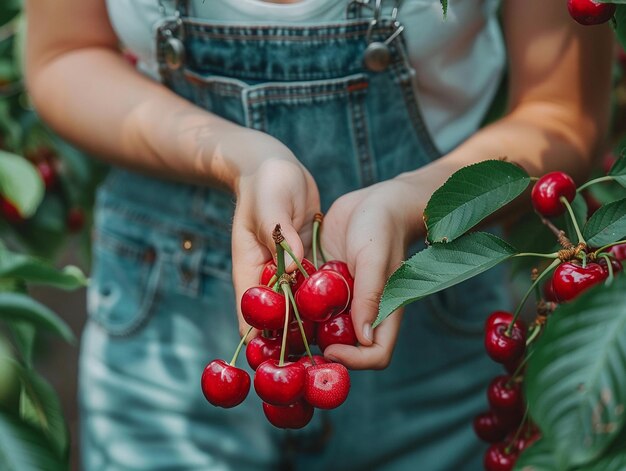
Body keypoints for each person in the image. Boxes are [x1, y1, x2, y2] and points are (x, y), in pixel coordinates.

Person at [25, 0, 612, 469]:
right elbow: (63, 54)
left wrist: (413, 205)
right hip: (162, 341)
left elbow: (564, 114)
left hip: (432, 326)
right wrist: (238, 158)